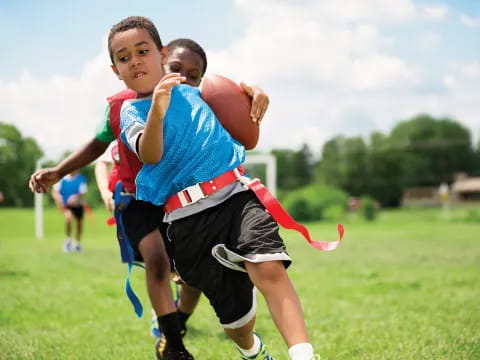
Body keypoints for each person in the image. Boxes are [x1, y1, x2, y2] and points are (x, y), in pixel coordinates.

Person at [30, 34, 270, 359]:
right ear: (160, 60)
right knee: (156, 261)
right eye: (175, 68)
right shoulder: (122, 106)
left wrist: (252, 94)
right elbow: (98, 144)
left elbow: (233, 119)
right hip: (136, 198)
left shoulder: (197, 103)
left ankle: (178, 321)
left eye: (192, 75)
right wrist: (59, 171)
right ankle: (173, 343)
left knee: (192, 276)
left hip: (181, 201)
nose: (182, 78)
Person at [113, 16, 317, 360]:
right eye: (123, 57)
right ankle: (251, 349)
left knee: (269, 267)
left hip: (235, 197)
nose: (134, 60)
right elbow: (151, 153)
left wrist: (253, 97)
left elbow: (244, 127)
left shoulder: (201, 95)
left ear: (161, 53)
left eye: (143, 50)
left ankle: (304, 355)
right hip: (186, 222)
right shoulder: (131, 112)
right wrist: (157, 111)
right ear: (115, 70)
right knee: (237, 324)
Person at [51, 170, 87, 252]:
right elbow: (54, 192)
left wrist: (76, 197)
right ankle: (68, 241)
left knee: (79, 224)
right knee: (68, 218)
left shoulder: (81, 178)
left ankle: (77, 243)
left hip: (78, 205)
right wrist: (58, 198)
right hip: (66, 205)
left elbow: (82, 193)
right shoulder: (62, 179)